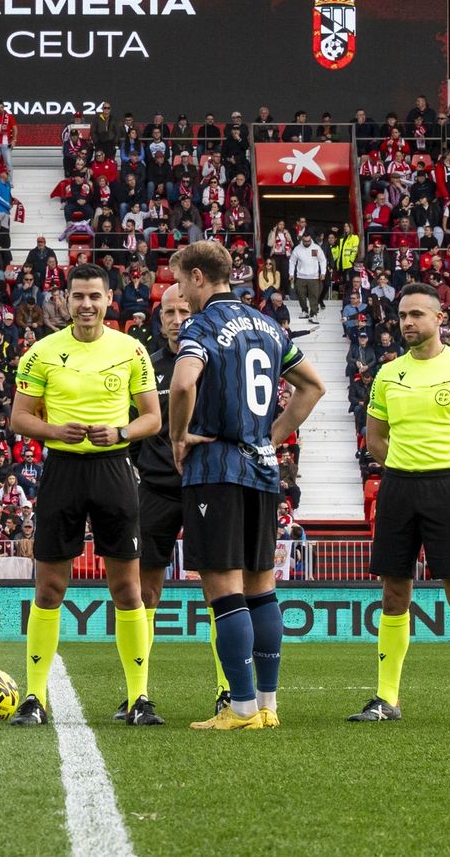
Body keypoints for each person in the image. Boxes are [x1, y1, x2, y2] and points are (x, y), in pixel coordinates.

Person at [167, 240, 326, 730]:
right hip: (262, 471)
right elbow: (313, 386)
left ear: (197, 277)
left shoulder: (203, 324)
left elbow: (183, 382)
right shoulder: (268, 325)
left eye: (178, 280)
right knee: (262, 588)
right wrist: (272, 436)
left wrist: (177, 437)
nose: (178, 292)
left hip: (216, 468)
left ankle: (237, 709)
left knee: (224, 591)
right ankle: (267, 706)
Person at [8, 263, 162, 726]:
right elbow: (20, 418)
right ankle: (34, 698)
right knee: (50, 587)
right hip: (62, 472)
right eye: (78, 296)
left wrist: (119, 431)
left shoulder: (132, 350)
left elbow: (151, 419)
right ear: (66, 300)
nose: (87, 305)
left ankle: (139, 698)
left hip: (115, 469)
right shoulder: (41, 352)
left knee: (127, 589)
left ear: (109, 298)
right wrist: (56, 429)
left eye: (94, 296)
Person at [351, 282, 450, 725]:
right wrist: (405, 468)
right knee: (393, 593)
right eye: (402, 316)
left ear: (440, 319)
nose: (408, 323)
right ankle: (386, 699)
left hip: (447, 489)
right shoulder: (387, 373)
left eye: (417, 314)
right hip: (398, 488)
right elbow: (376, 439)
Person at [123, 284, 231, 718]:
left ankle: (228, 689)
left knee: (218, 590)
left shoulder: (214, 358)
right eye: (168, 310)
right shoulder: (146, 364)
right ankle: (138, 695)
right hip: (157, 490)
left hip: (207, 484)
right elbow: (132, 423)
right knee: (144, 588)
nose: (175, 317)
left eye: (183, 308)